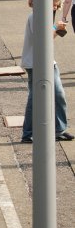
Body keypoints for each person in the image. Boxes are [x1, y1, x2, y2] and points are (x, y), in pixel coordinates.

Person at [20, 8, 73, 143]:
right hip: (36, 63)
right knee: (36, 98)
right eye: (56, 3)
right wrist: (56, 27)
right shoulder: (36, 16)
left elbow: (47, 38)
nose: (56, 7)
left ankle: (59, 129)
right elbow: (43, 38)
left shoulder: (43, 15)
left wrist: (55, 29)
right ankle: (28, 133)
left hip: (46, 61)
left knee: (58, 94)